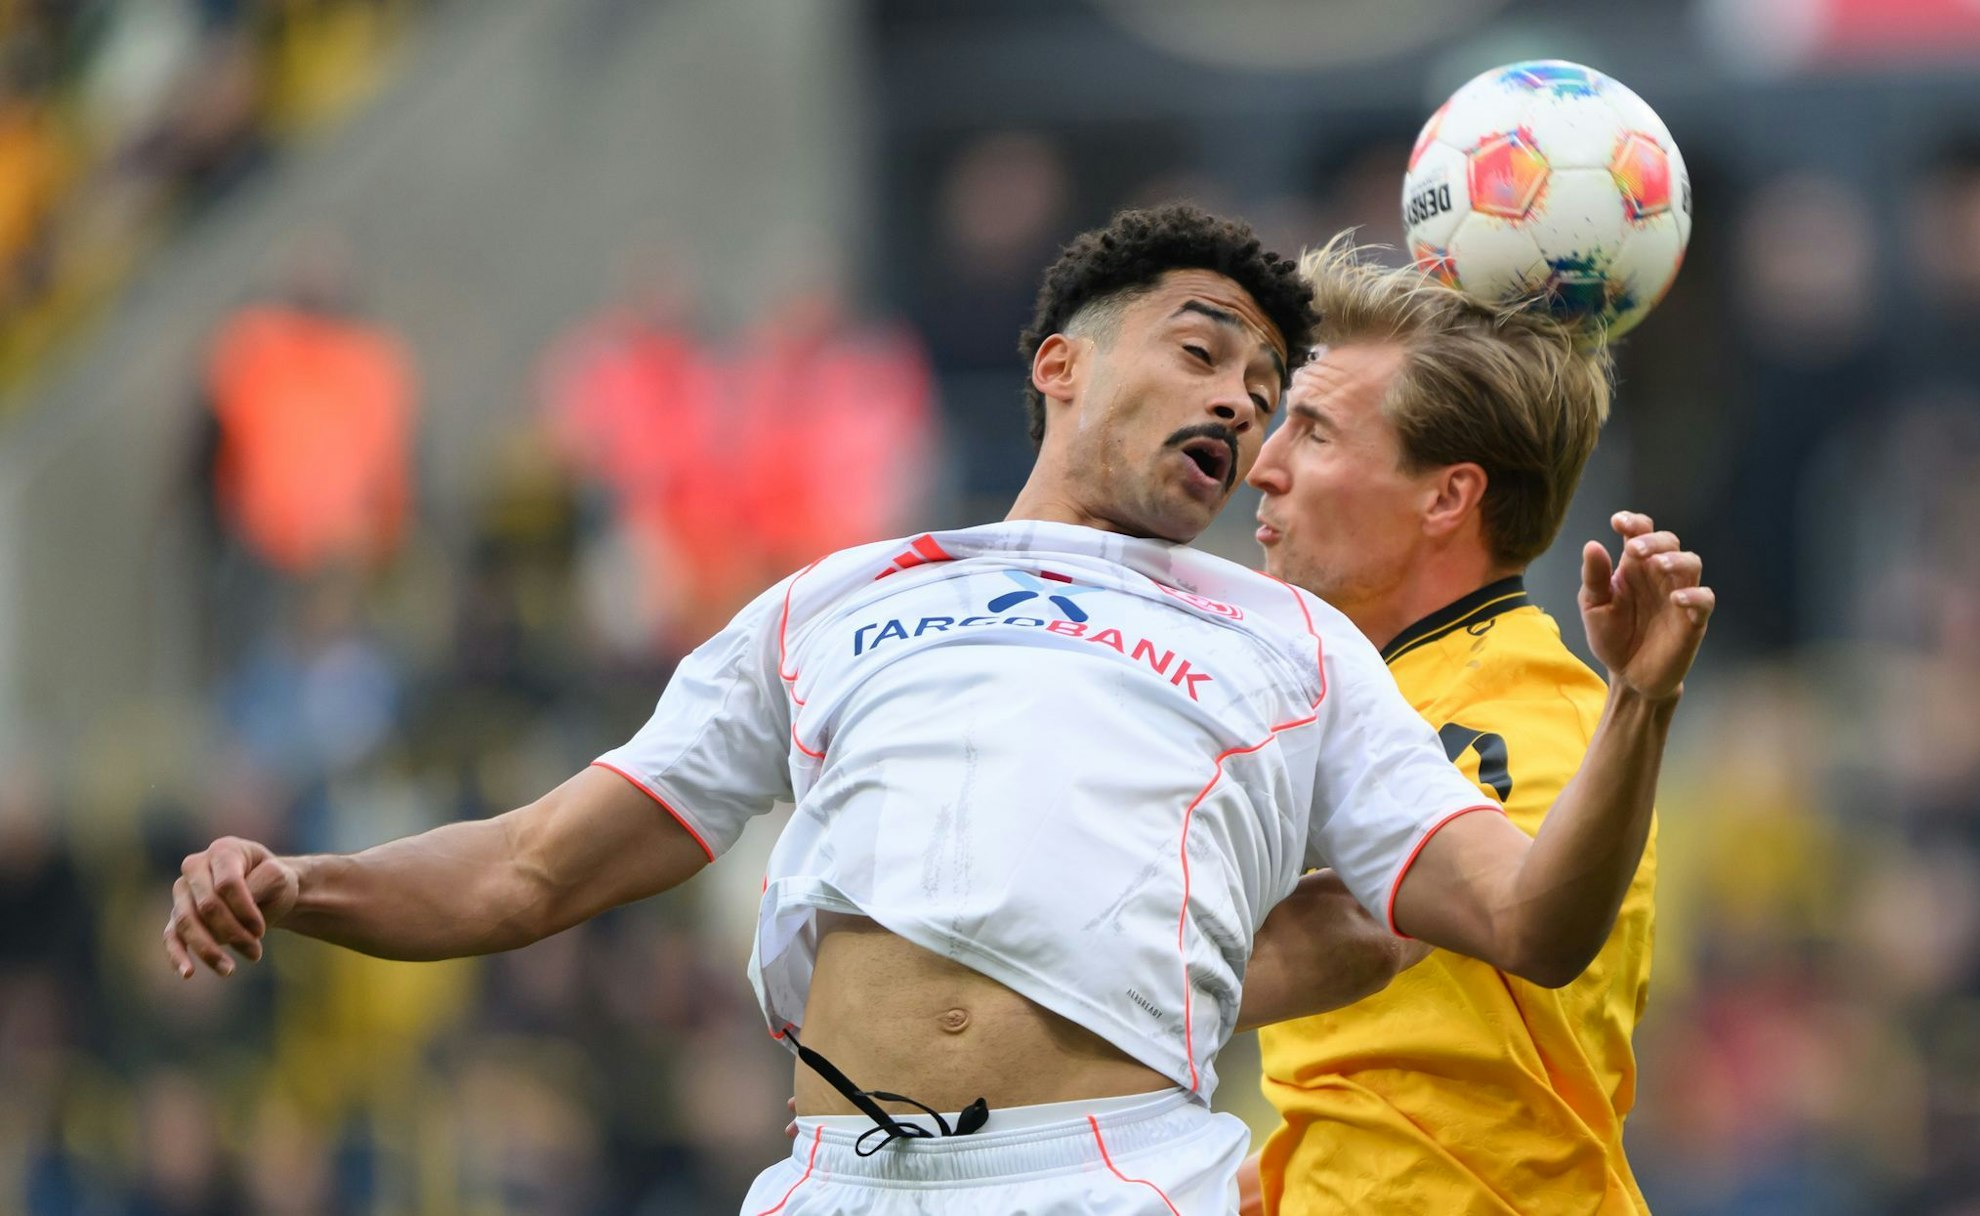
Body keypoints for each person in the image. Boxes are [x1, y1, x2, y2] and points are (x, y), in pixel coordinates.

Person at [163, 205, 1712, 1214]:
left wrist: (1640, 710)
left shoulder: (1294, 645)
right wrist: (301, 886)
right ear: (1058, 365)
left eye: (1270, 390)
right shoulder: (834, 599)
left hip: (1113, 1180)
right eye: (1205, 352)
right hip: (829, 1178)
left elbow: (1528, 924)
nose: (1242, 406)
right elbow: (526, 869)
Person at [1232, 241, 1671, 1214]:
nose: (1261, 466)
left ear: (1446, 496)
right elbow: (1375, 1077)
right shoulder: (1352, 702)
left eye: (1311, 431)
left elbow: (1401, 932)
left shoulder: (1523, 716)